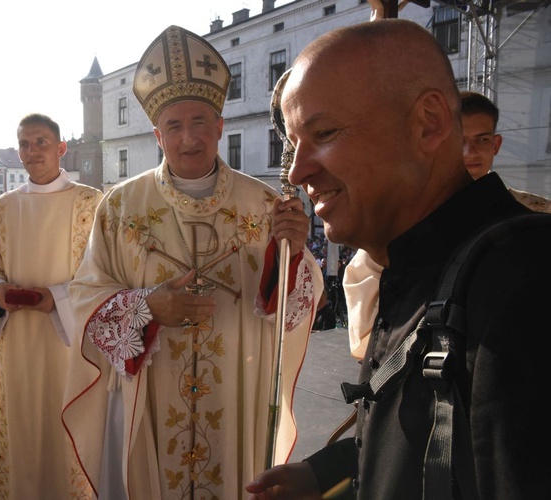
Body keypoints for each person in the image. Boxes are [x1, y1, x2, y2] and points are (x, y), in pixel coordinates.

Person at [245, 19, 550, 499]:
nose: (299, 170)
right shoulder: (414, 267)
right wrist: (324, 474)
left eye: (323, 132)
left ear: (427, 123)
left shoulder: (525, 286)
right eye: (293, 144)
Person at [63, 25, 324, 499]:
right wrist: (147, 308)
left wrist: (292, 253)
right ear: (158, 135)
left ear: (220, 127)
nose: (189, 138)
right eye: (175, 126)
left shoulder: (265, 205)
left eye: (200, 122)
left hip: (236, 392)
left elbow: (293, 305)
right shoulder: (120, 208)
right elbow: (84, 299)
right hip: (154, 394)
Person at [344, 89, 551, 360]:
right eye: (461, 140)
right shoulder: (408, 216)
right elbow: (366, 305)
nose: (470, 152)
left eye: (482, 139)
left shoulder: (535, 214)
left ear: (496, 144)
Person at [0, 113, 103, 498]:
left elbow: (107, 277)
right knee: (24, 430)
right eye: (24, 144)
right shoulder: (0, 210)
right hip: (20, 345)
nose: (32, 151)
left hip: (72, 347)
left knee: (70, 432)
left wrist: (57, 298)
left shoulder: (92, 205)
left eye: (41, 142)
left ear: (61, 148)